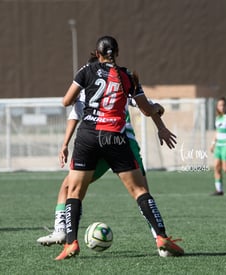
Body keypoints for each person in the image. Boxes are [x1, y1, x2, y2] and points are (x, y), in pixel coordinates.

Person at [54, 36, 184, 260]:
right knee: (140, 191)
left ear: (97, 53)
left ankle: (71, 244)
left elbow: (66, 102)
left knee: (74, 191)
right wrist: (158, 108)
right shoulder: (128, 76)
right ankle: (161, 237)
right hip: (115, 137)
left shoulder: (86, 70)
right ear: (117, 52)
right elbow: (146, 109)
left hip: (88, 137)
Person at [37, 90, 177, 252]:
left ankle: (63, 232)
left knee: (70, 187)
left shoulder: (89, 80)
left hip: (96, 142)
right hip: (121, 142)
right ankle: (161, 242)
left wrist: (65, 144)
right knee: (142, 193)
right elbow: (147, 106)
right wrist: (160, 122)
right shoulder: (122, 79)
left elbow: (71, 108)